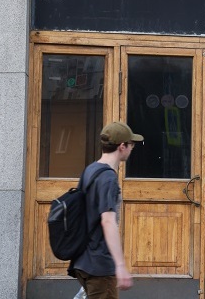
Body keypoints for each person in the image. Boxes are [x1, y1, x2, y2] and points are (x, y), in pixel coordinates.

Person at [70, 121, 143, 299]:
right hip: (99, 264)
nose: (132, 149)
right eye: (131, 145)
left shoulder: (90, 170)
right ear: (122, 146)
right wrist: (120, 265)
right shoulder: (108, 178)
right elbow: (108, 221)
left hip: (83, 260)